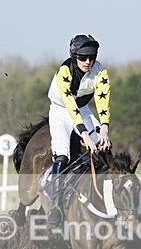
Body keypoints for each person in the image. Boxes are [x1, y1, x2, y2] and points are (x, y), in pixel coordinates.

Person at [45, 33, 112, 227]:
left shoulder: (101, 73)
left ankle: (110, 200)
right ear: (74, 56)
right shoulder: (65, 71)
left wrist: (104, 129)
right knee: (62, 156)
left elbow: (102, 101)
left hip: (82, 109)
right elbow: (70, 106)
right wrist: (85, 134)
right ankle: (56, 206)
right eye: (83, 57)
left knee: (104, 148)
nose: (88, 61)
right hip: (60, 111)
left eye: (91, 57)